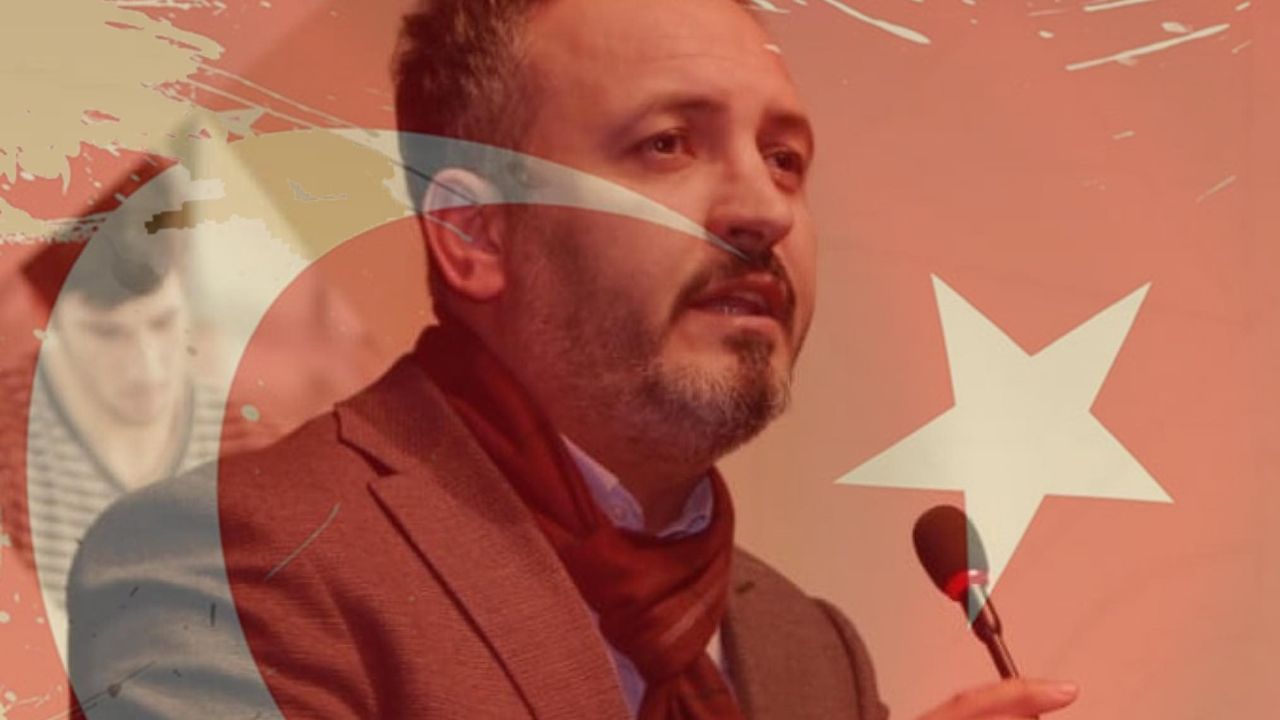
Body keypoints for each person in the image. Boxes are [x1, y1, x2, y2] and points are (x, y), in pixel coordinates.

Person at [66, 0, 1079, 718]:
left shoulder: (808, 648)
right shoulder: (220, 566)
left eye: (784, 159)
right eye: (667, 144)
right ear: (475, 233)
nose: (764, 210)